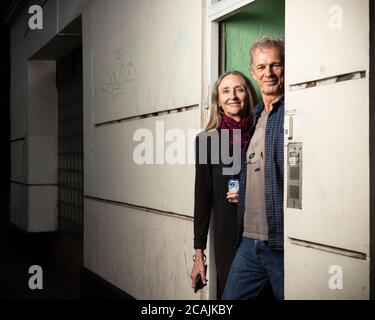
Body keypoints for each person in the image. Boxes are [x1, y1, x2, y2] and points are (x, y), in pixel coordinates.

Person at [222, 36, 285, 300]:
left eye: (276, 65)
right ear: (253, 72)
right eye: (261, 67)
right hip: (248, 241)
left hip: (280, 245)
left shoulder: (295, 112)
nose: (268, 73)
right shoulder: (256, 118)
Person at [190, 71, 256, 299]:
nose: (233, 96)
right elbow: (202, 199)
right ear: (218, 101)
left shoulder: (262, 132)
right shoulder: (207, 141)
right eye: (226, 91)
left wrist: (247, 193)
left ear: (247, 95)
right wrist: (199, 254)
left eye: (239, 89)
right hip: (228, 240)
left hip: (264, 237)